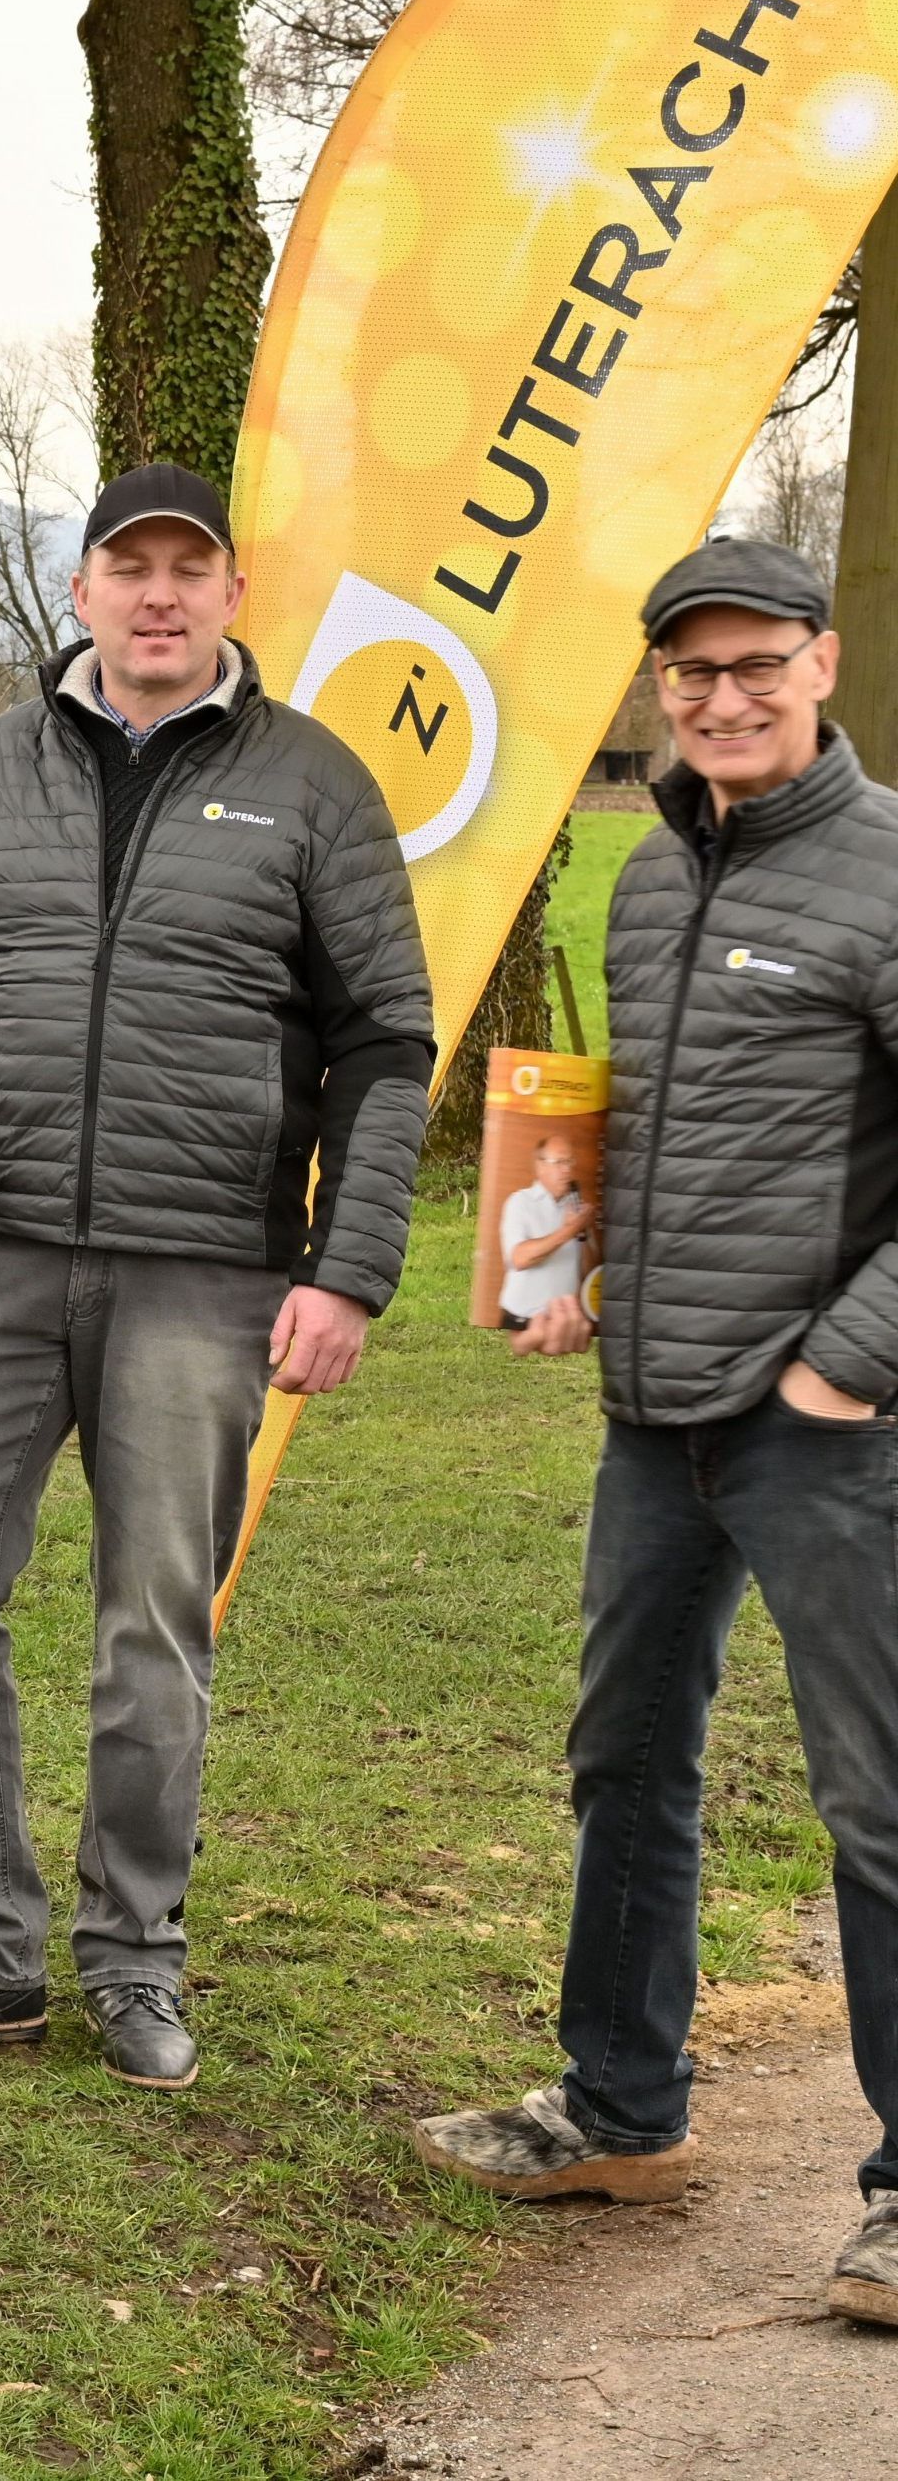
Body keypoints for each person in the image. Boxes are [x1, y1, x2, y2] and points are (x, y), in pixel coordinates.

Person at [0, 461, 435, 2090]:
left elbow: (388, 1042)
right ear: (82, 589)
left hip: (205, 1277)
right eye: (129, 567)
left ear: (234, 595)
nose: (159, 594)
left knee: (149, 1624)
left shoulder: (313, 785)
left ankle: (133, 1960)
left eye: (190, 569)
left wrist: (349, 1270)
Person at [415, 538, 898, 2325]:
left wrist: (848, 1364)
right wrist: (583, 1269)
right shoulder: (644, 880)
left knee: (881, 1799)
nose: (720, 698)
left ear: (821, 662)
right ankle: (621, 2111)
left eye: (754, 664)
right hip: (653, 1418)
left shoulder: (888, 871)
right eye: (689, 674)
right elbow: (662, 1151)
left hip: (830, 1427)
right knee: (627, 1760)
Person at [496, 1133, 592, 1331]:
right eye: (559, 1162)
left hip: (563, 1323)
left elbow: (587, 1274)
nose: (567, 1171)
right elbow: (519, 1259)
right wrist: (569, 1231)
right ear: (540, 1166)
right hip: (523, 1321)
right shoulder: (520, 1202)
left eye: (569, 1162)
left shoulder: (575, 1209)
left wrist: (582, 1233)